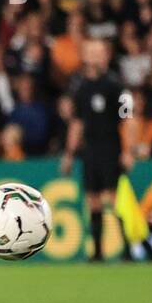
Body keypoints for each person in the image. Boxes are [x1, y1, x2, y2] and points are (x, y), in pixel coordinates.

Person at [60, 40, 127, 261]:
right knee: (93, 200)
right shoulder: (81, 88)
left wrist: (128, 150)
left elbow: (128, 120)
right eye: (91, 52)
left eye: (99, 52)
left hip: (111, 148)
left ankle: (127, 250)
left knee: (113, 199)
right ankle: (97, 252)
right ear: (85, 56)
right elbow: (77, 123)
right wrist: (69, 154)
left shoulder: (116, 85)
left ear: (106, 56)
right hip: (90, 150)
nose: (95, 56)